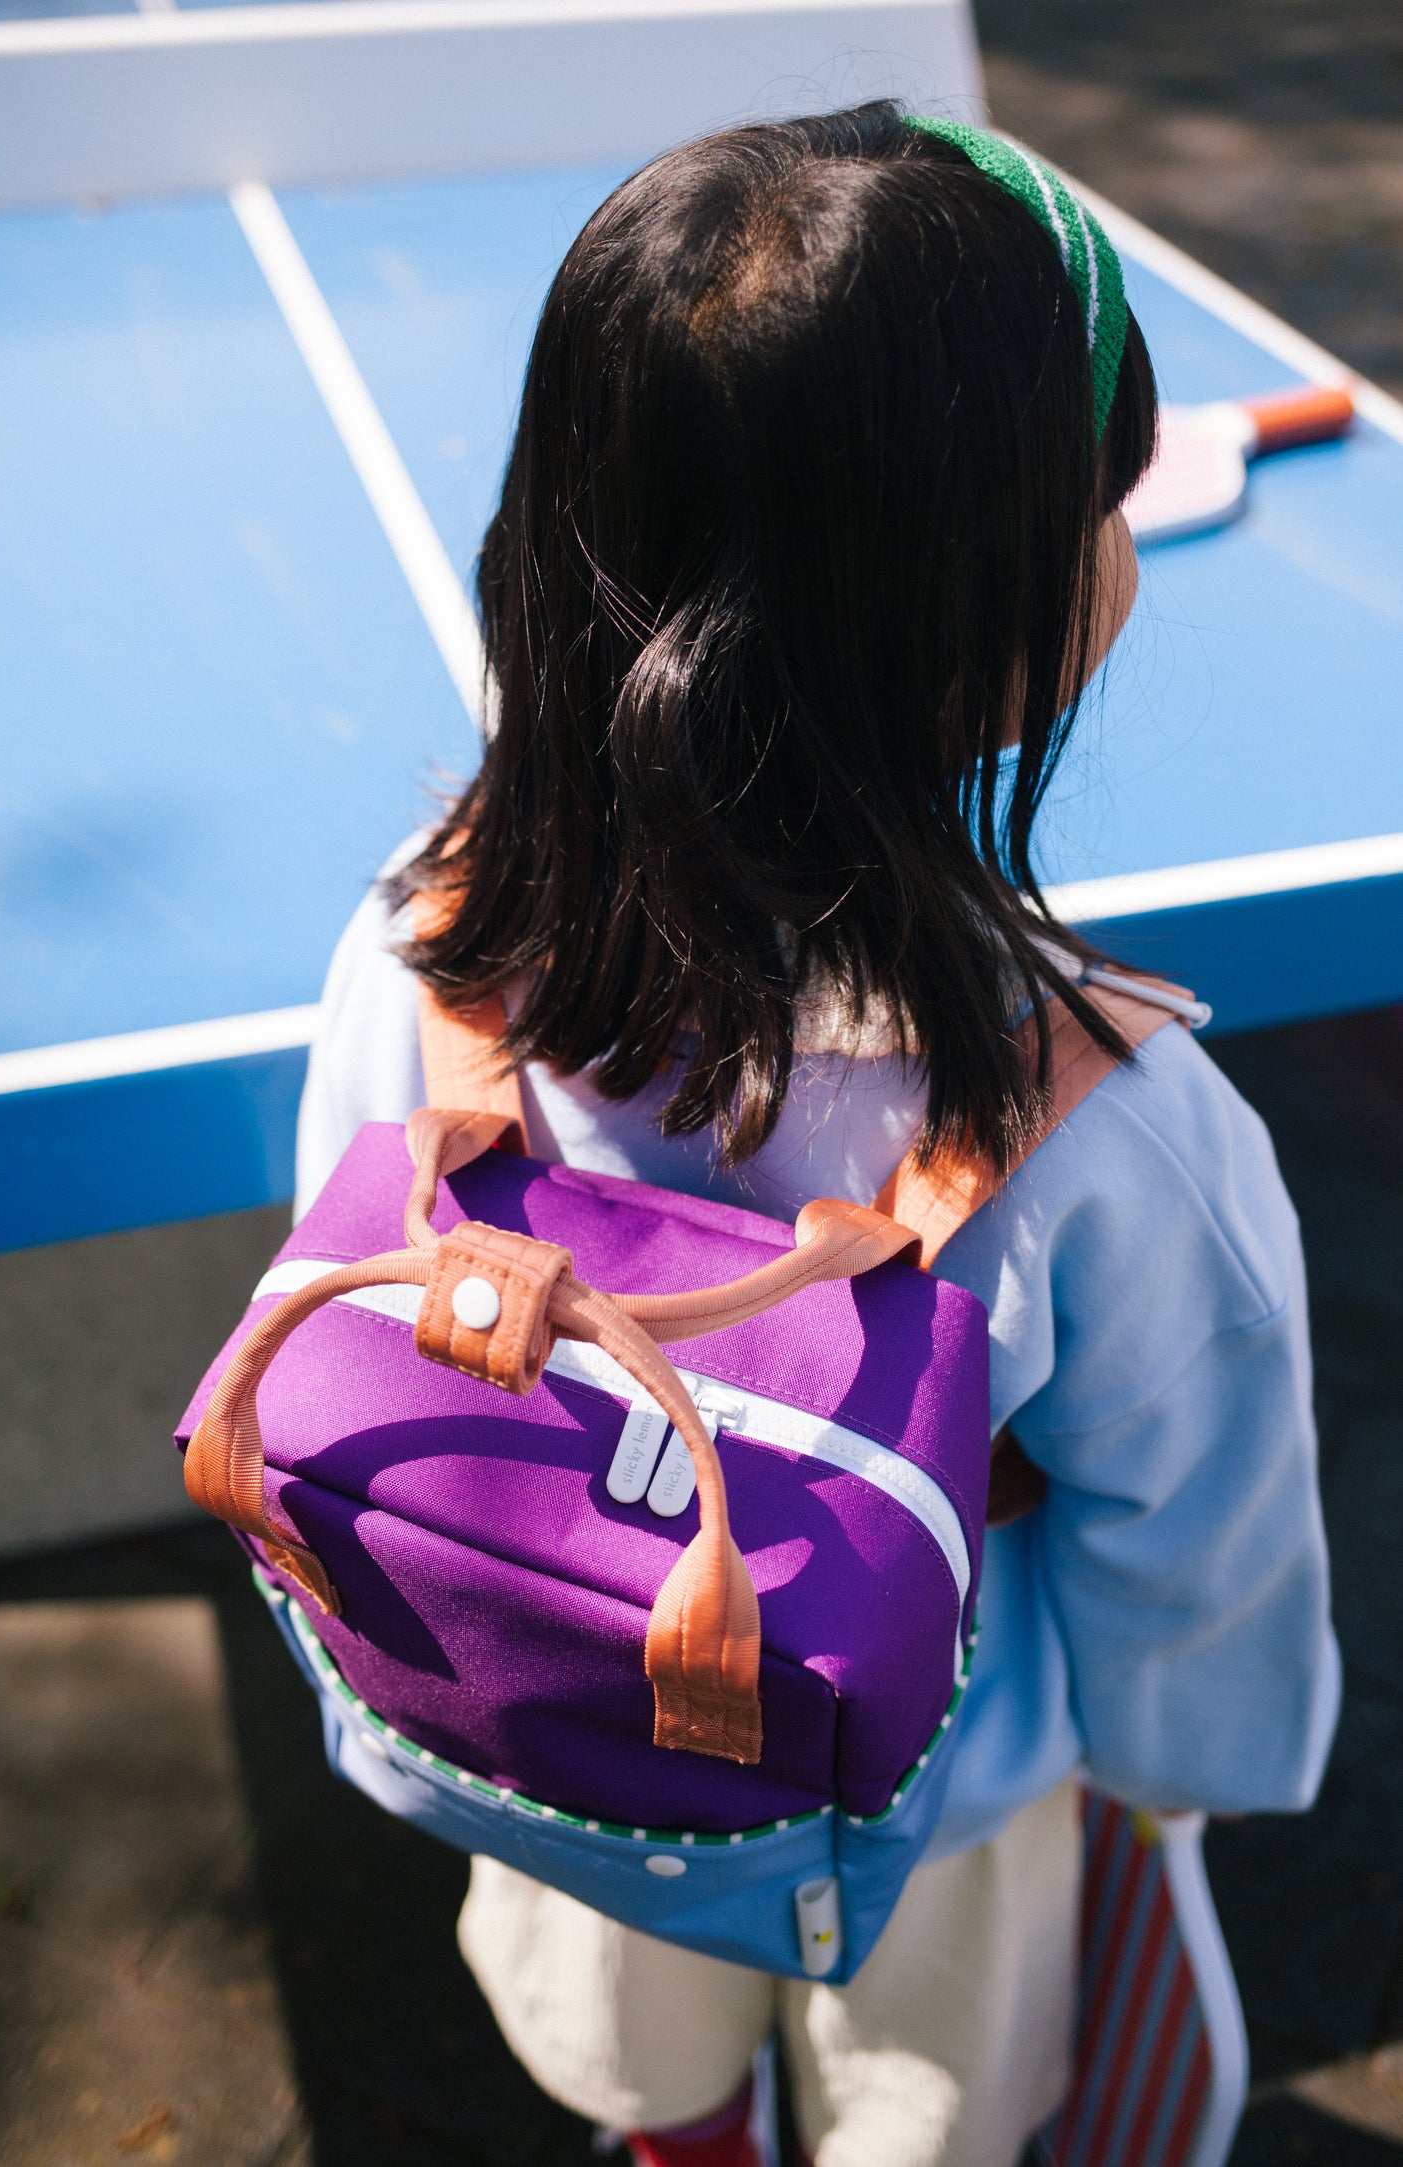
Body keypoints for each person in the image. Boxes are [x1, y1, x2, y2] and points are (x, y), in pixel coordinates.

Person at [295, 104, 1339, 2167]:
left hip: (546, 1701)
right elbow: (1199, 1552)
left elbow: (363, 1261)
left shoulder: (424, 943)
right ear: (1009, 625)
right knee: (929, 2101)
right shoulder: (1114, 1133)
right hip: (940, 1783)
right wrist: (1173, 1771)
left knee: (642, 2050)